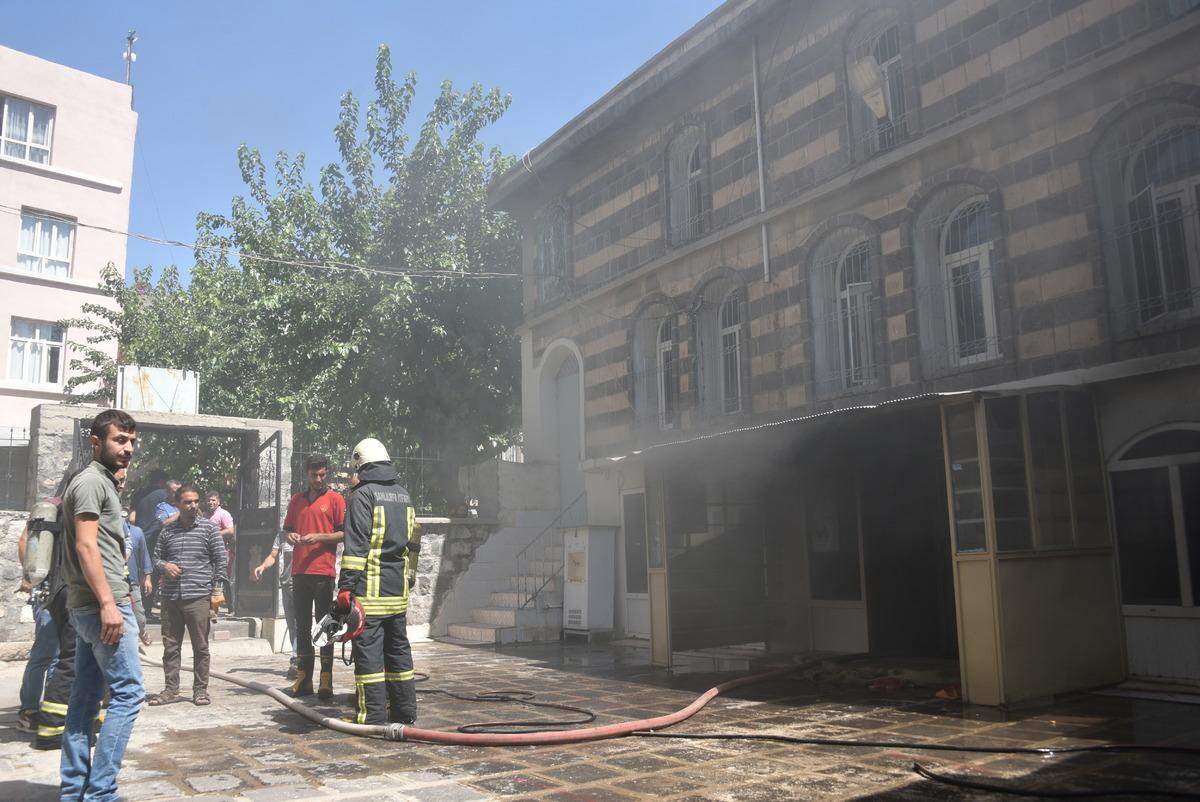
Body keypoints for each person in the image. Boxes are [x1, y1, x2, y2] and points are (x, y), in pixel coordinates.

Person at [59, 408, 143, 801]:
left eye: (131, 442)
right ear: (96, 442)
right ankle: (101, 794)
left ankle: (75, 790)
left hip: (87, 605)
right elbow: (86, 544)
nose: (127, 448)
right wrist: (110, 603)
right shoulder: (92, 482)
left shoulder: (100, 482)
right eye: (119, 440)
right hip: (102, 605)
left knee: (85, 695)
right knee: (128, 694)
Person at [336, 438, 421, 724]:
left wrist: (346, 588)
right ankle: (405, 712)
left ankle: (371, 716)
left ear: (362, 464)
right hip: (397, 595)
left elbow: (356, 548)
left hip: (370, 597)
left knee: (370, 657)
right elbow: (413, 545)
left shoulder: (362, 496)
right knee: (398, 652)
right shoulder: (404, 495)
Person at [149, 486, 226, 707]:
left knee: (200, 646)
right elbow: (156, 559)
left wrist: (216, 593)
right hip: (171, 597)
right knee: (171, 646)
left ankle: (200, 690)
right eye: (187, 502)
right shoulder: (167, 532)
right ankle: (171, 689)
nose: (193, 506)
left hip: (198, 596)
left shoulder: (209, 530)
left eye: (196, 501)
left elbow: (220, 562)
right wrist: (166, 566)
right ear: (177, 504)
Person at [284, 453, 345, 699]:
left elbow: (344, 534)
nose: (318, 479)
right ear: (306, 474)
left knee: (324, 627)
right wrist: (290, 537)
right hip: (299, 571)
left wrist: (318, 537)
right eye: (314, 475)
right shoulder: (296, 500)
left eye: (322, 475)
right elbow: (287, 530)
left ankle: (326, 679)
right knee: (302, 625)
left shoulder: (335, 500)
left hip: (323, 572)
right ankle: (303, 677)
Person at [15, 516, 60, 734]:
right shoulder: (49, 510)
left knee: (57, 655)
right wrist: (30, 577)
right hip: (48, 592)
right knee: (45, 654)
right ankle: (29, 710)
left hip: (61, 591)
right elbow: (24, 541)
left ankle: (47, 709)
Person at [252, 529, 298, 680]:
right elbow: (273, 555)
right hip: (287, 583)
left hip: (302, 583)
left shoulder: (307, 530)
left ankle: (297, 659)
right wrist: (262, 567)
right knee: (291, 624)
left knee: (299, 624)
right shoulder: (282, 535)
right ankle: (297, 656)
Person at [123, 510, 153, 647]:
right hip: (114, 583)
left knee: (139, 617)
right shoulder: (108, 532)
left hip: (132, 583)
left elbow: (144, 556)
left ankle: (142, 631)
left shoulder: (136, 532)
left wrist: (147, 578)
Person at [206, 492, 235, 615]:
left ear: (218, 501)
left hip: (223, 552)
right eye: (208, 500)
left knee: (223, 579)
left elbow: (230, 530)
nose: (210, 502)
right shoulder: (206, 516)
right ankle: (212, 608)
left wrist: (216, 534)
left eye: (213, 500)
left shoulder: (223, 514)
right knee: (211, 580)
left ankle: (231, 607)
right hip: (208, 554)